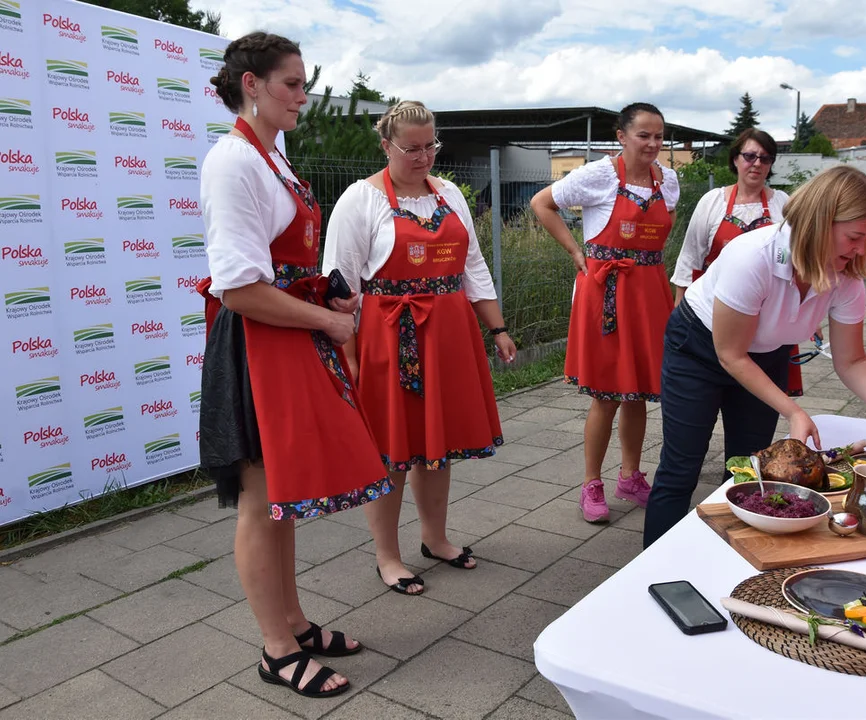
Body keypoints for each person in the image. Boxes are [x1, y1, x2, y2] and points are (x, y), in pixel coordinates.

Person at [199, 32, 393, 698]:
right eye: (291, 84)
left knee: (282, 500)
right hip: (256, 345)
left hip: (283, 336)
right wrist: (331, 320)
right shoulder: (232, 162)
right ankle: (277, 650)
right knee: (259, 503)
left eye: (304, 85)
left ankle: (295, 622)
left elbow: (277, 269)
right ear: (250, 84)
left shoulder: (270, 157)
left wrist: (321, 286)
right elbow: (239, 289)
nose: (302, 98)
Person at [642, 166, 866, 547]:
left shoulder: (845, 278)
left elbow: (851, 360)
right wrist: (794, 411)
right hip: (699, 349)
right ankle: (653, 566)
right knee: (682, 466)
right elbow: (731, 355)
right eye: (855, 237)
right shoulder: (753, 256)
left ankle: (724, 555)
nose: (862, 250)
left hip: (764, 355)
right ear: (820, 223)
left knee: (753, 469)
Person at [323, 101, 515, 596]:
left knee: (438, 446)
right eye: (412, 148)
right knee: (391, 452)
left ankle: (436, 538)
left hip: (448, 335)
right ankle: (388, 556)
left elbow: (473, 265)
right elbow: (339, 284)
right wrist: (348, 355)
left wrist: (496, 328)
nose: (424, 156)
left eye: (431, 145)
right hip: (388, 338)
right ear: (386, 145)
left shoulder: (449, 194)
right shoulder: (360, 200)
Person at [531, 103, 679, 523]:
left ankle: (630, 476)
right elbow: (542, 204)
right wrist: (577, 251)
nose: (652, 144)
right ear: (621, 136)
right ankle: (591, 483)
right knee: (607, 396)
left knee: (639, 396)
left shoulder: (668, 181)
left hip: (649, 292)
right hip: (609, 294)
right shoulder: (597, 175)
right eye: (643, 135)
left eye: (658, 136)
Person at [671, 129, 811, 396]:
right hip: (714, 316)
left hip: (769, 318)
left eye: (766, 158)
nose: (757, 163)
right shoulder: (713, 202)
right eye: (750, 156)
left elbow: (802, 261)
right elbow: (690, 259)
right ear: (735, 159)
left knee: (755, 410)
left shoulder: (784, 204)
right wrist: (679, 314)